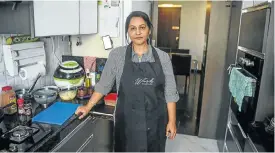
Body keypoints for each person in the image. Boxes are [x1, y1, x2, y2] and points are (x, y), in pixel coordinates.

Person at [75, 11, 179, 152]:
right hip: (127, 123)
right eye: (132, 28)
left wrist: (171, 121)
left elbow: (170, 92)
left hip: (155, 122)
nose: (138, 32)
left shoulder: (163, 57)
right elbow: (104, 84)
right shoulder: (117, 55)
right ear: (128, 32)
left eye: (142, 27)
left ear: (149, 30)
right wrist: (88, 106)